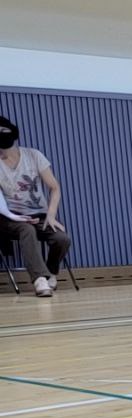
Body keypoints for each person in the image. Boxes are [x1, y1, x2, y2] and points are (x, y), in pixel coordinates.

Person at [0, 115, 72, 298]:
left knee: (62, 238)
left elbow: (54, 187)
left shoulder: (33, 156)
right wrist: (12, 216)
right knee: (27, 230)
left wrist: (51, 215)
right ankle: (39, 280)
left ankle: (51, 273)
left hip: (39, 214)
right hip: (10, 217)